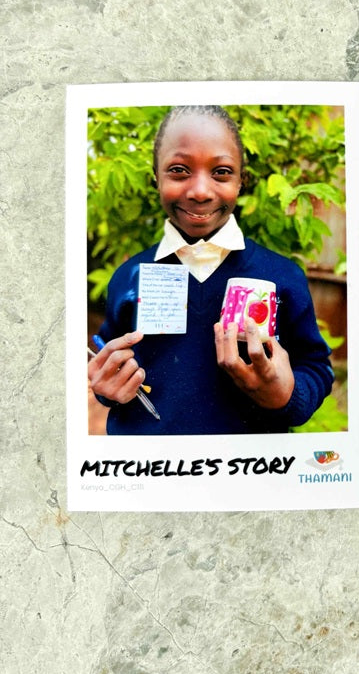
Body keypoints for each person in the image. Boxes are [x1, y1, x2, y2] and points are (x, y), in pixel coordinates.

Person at [88, 105, 334, 435]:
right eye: (179, 170)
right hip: (153, 463)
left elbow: (316, 367)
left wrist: (287, 395)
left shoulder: (282, 277)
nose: (201, 192)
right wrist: (107, 387)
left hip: (247, 464)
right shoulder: (129, 278)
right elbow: (108, 361)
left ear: (242, 181)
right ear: (156, 177)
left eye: (221, 172)